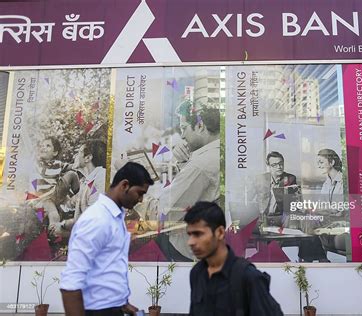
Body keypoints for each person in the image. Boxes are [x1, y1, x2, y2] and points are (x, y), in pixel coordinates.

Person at [60, 162, 154, 316]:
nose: (141, 200)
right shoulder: (98, 219)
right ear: (124, 185)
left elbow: (106, 269)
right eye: (140, 193)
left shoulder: (114, 217)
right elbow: (71, 283)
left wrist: (122, 304)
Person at [186, 201, 284, 316]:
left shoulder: (248, 277)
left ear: (220, 232)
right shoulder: (197, 273)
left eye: (198, 234)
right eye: (190, 235)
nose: (191, 242)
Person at [155, 101, 220, 261]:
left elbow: (166, 213)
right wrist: (184, 164)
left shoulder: (200, 164)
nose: (182, 136)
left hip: (188, 250)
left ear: (200, 126)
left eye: (184, 128)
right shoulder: (218, 153)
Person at [50, 139, 107, 237]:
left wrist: (62, 231)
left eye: (79, 152)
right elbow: (69, 205)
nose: (75, 156)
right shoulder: (87, 182)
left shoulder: (101, 178)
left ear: (88, 158)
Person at [253, 151, 297, 225]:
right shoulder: (260, 179)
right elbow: (250, 199)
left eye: (281, 163)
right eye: (274, 165)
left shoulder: (290, 179)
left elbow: (292, 205)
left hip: (280, 218)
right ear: (269, 166)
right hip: (262, 217)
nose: (279, 167)